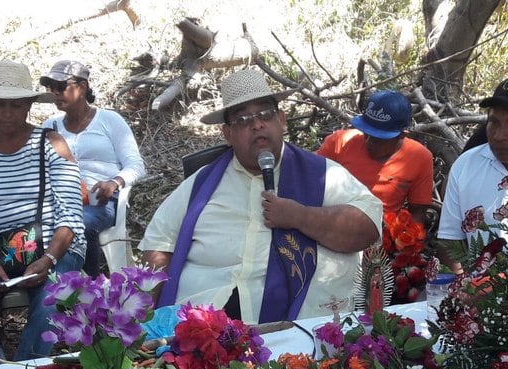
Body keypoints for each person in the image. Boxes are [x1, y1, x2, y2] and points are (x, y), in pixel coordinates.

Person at [140, 67, 382, 322]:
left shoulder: (322, 175)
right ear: (227, 134)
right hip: (200, 320)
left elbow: (368, 228)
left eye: (265, 114)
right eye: (242, 119)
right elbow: (159, 242)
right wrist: (146, 316)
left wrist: (299, 216)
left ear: (282, 119)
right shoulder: (201, 184)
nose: (256, 124)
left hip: (293, 328)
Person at [0, 61, 86, 369]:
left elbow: (71, 216)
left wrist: (49, 257)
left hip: (53, 246)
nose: (7, 113)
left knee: (51, 299)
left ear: (29, 104)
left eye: (16, 104)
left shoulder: (50, 144)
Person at [40, 59, 146, 276]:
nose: (55, 94)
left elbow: (136, 165)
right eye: (51, 88)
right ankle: (54, 283)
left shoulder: (109, 120)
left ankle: (90, 286)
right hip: (61, 200)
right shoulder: (49, 126)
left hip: (102, 200)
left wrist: (114, 182)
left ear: (82, 86)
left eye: (61, 87)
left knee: (82, 223)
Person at [437, 75, 508, 271]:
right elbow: (448, 241)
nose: (499, 136)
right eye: (494, 122)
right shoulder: (466, 164)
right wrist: (464, 288)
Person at [317, 89, 435, 227]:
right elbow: (309, 184)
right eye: (366, 133)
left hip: (380, 236)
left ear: (402, 135)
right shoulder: (338, 143)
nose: (368, 142)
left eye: (378, 139)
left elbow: (418, 214)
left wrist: (402, 238)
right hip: (327, 224)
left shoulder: (420, 158)